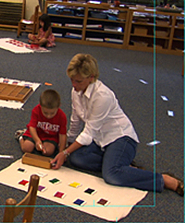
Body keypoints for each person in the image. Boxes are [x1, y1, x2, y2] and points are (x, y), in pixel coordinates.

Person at [51, 53, 183, 196]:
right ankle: (122, 166)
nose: (74, 85)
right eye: (72, 80)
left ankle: (164, 180)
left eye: (78, 81)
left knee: (111, 175)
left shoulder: (102, 96)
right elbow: (75, 120)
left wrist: (64, 152)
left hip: (121, 139)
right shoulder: (75, 92)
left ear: (91, 77)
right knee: (76, 158)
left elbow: (88, 133)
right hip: (100, 141)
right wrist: (65, 146)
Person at [15, 89, 67, 157]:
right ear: (40, 105)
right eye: (45, 113)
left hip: (50, 136)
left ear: (58, 106)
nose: (48, 116)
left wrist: (61, 152)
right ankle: (21, 137)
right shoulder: (36, 110)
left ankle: (38, 145)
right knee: (26, 148)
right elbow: (32, 127)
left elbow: (62, 135)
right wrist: (37, 140)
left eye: (52, 113)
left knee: (48, 152)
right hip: (36, 133)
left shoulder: (62, 116)